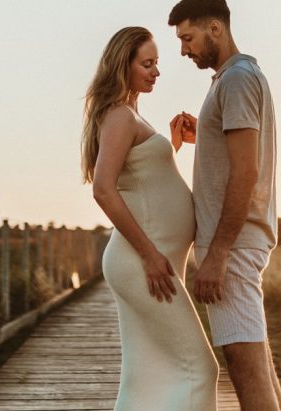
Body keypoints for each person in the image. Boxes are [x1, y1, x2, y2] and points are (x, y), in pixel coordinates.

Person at [82, 26, 219, 410]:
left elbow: (142, 180)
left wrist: (170, 147)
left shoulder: (129, 115)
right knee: (201, 370)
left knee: (148, 377)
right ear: (121, 65)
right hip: (143, 263)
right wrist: (149, 255)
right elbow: (104, 189)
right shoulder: (121, 117)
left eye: (156, 63)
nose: (157, 71)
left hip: (148, 261)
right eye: (147, 63)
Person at [168, 0, 281, 411]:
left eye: (188, 38)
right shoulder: (236, 79)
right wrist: (209, 134)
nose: (183, 50)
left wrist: (216, 256)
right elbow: (237, 155)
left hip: (232, 246)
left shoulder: (236, 79)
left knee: (244, 364)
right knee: (257, 362)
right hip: (237, 242)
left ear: (215, 27)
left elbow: (246, 173)